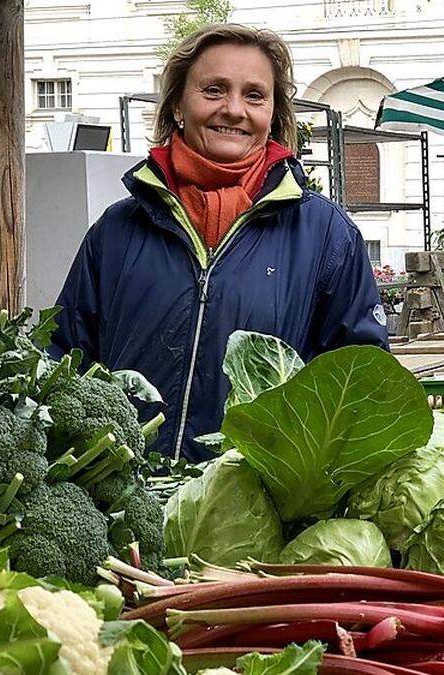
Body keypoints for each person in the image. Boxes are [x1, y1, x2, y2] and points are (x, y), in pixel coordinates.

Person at [51, 24, 389, 462]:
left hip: (258, 507)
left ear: (273, 113)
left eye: (254, 95)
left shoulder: (326, 236)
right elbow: (64, 361)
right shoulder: (117, 231)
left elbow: (358, 381)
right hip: (124, 500)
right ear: (176, 104)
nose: (233, 110)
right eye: (214, 90)